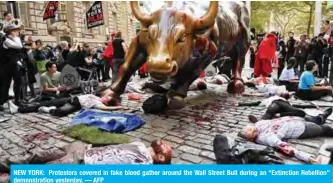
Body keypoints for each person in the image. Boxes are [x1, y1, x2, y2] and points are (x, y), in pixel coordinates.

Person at [238, 115, 333, 164]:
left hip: (295, 121)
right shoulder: (267, 138)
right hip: (302, 129)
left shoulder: (257, 125)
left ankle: (322, 116)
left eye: (250, 128)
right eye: (251, 132)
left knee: (316, 120)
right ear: (252, 138)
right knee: (326, 129)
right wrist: (309, 158)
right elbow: (285, 147)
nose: (253, 128)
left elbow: (258, 123)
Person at [47, 140, 173, 164]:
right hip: (84, 147)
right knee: (39, 156)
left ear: (161, 157)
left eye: (166, 148)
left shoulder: (144, 164)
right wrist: (91, 145)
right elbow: (114, 145)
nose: (165, 144)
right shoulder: (139, 144)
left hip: (81, 161)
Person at [0, 24, 24, 108]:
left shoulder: (16, 38)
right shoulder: (5, 40)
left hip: (16, 64)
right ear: (11, 32)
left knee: (18, 82)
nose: (18, 32)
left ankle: (18, 100)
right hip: (7, 66)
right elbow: (18, 46)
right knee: (6, 84)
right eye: (16, 30)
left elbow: (19, 46)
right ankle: (4, 102)